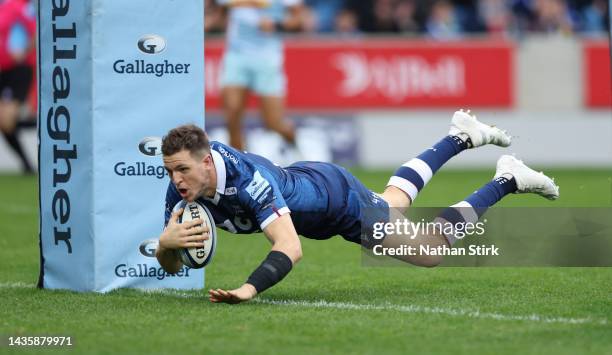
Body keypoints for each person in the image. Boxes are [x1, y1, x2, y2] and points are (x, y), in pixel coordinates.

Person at [156, 110, 559, 304]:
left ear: (206, 162)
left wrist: (247, 290)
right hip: (310, 188)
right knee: (394, 202)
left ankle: (507, 178)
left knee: (430, 250)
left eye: (182, 170)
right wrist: (165, 246)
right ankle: (460, 137)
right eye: (170, 171)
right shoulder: (184, 185)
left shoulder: (245, 180)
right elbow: (176, 262)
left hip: (338, 200)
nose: (176, 180)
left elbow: (290, 248)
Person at [216, 0, 304, 153]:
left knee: (273, 123)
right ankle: (238, 166)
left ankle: (294, 143)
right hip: (236, 55)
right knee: (232, 113)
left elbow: (299, 20)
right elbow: (221, 11)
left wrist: (276, 25)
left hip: (267, 59)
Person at [0, 0, 36, 173]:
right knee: (4, 123)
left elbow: (37, 29)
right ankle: (27, 166)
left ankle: (40, 122)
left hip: (18, 70)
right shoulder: (5, 6)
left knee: (6, 119)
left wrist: (25, 50)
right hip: (3, 71)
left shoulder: (23, 6)